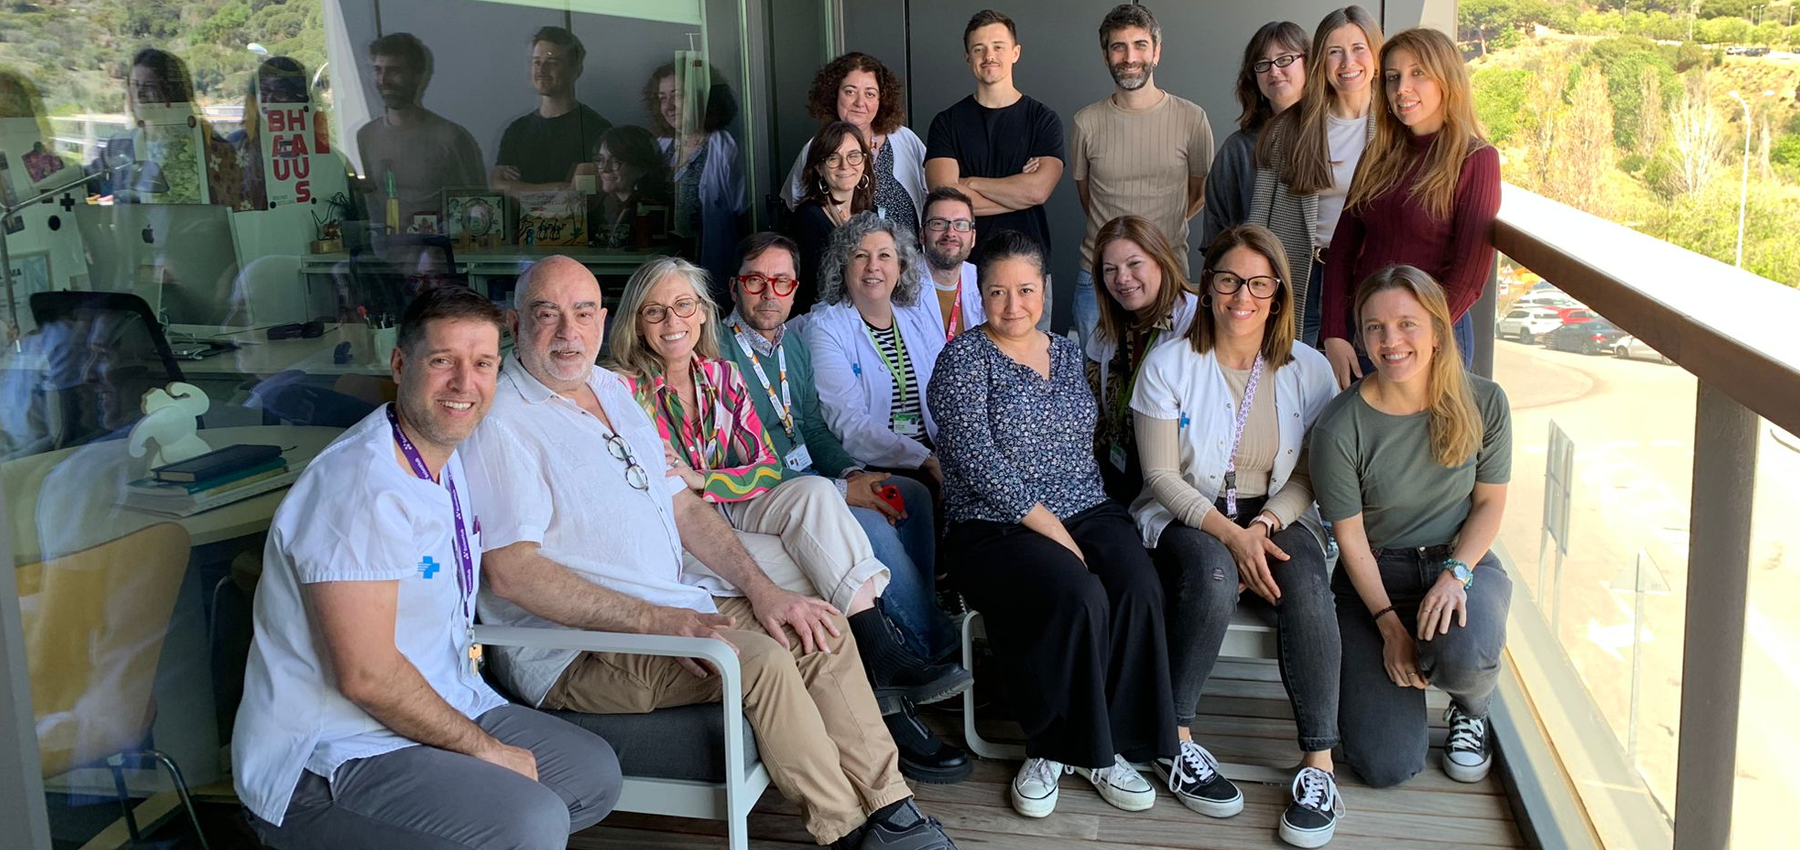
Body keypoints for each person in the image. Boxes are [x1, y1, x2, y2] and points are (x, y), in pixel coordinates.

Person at [457, 256, 960, 850]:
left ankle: (892, 806)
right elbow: (512, 574)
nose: (569, 332)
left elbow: (686, 507)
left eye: (584, 312)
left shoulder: (612, 390)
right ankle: (846, 830)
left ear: (602, 318)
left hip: (674, 605)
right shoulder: (502, 421)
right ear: (516, 324)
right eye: (548, 315)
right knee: (763, 662)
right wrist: (661, 620)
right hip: (583, 647)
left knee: (815, 623)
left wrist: (765, 592)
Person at [234, 285, 622, 849]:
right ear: (400, 364)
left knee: (590, 775)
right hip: (334, 753)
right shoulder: (360, 487)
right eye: (443, 361)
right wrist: (486, 752)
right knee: (530, 821)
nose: (465, 384)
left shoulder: (446, 454)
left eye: (483, 363)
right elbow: (365, 677)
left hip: (447, 699)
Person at [929, 229, 1176, 820]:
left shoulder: (1068, 352)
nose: (1012, 306)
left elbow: (1086, 445)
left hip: (1086, 507)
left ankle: (1112, 744)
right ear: (977, 293)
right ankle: (1055, 747)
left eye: (1025, 289)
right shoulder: (961, 360)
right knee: (1077, 593)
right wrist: (1056, 533)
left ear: (1046, 287)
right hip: (995, 526)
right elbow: (980, 464)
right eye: (996, 292)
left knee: (1139, 586)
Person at [720, 233, 971, 781]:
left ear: (795, 289)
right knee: (869, 529)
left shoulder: (791, 343)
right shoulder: (716, 353)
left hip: (809, 481)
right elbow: (746, 456)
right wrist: (843, 491)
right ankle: (921, 655)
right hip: (759, 496)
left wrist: (856, 474)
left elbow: (810, 427)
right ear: (734, 285)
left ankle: (912, 653)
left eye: (782, 281)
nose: (768, 294)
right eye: (755, 281)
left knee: (905, 496)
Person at [1132, 225, 1344, 847]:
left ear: (1278, 293)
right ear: (1208, 287)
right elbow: (1161, 475)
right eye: (1227, 280)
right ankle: (1176, 740)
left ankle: (1319, 763)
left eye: (1258, 283)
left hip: (1277, 510)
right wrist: (1232, 536)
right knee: (1214, 574)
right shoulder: (1171, 362)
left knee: (1307, 581)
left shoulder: (1309, 369)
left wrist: (1264, 526)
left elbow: (1309, 475)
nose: (1241, 296)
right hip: (1189, 513)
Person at [1308, 264, 1512, 789]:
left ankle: (1470, 705)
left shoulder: (1485, 402)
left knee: (1466, 655)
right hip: (1376, 578)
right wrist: (1388, 626)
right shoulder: (1338, 426)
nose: (1390, 340)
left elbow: (1489, 503)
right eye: (1374, 327)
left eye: (1406, 324)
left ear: (1439, 332)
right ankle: (1416, 660)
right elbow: (1349, 538)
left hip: (1458, 560)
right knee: (1385, 765)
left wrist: (1455, 575)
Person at [1319, 27, 1499, 385]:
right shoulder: (1378, 154)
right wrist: (1334, 334)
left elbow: (1469, 277)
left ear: (1446, 79)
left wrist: (1419, 340)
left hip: (1434, 339)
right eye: (1392, 78)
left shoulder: (1475, 159)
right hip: (1368, 333)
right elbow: (1342, 250)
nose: (1401, 88)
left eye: (1418, 73)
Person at [1068, 3, 1213, 346]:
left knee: (1168, 384)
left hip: (1170, 274)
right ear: (1106, 57)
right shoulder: (1085, 122)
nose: (1129, 56)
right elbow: (1088, 195)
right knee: (1096, 383)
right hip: (1099, 276)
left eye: (1140, 45)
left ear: (1156, 52)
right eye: (1118, 46)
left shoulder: (1191, 119)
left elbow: (1199, 191)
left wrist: (1153, 236)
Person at [1250, 6, 1382, 349]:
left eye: (1358, 49)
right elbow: (1259, 223)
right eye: (1334, 52)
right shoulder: (1288, 128)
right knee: (1298, 376)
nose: (1347, 63)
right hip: (1302, 274)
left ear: (1376, 54)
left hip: (1370, 275)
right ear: (1319, 61)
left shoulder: (1396, 130)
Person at [925, 9, 1064, 302]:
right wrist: (1016, 191)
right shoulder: (946, 122)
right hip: (964, 271)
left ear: (1015, 52)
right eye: (979, 49)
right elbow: (945, 197)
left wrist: (970, 182)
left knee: (1030, 349)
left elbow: (1038, 191)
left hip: (1029, 271)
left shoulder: (1043, 120)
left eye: (998, 47)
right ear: (968, 58)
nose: (989, 55)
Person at [802, 213, 945, 490]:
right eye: (860, 256)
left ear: (901, 266)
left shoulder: (916, 318)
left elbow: (945, 392)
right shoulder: (826, 328)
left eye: (884, 256)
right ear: (842, 266)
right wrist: (926, 459)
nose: (873, 267)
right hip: (875, 465)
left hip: (933, 451)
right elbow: (850, 426)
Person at [1084, 215, 1200, 504]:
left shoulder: (1196, 325)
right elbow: (1093, 413)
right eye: (1110, 269)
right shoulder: (1108, 329)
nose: (1122, 278)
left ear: (1161, 260)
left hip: (1180, 485)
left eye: (1134, 264)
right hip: (1118, 475)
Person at [781, 52, 927, 233]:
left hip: (911, 258)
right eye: (850, 91)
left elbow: (933, 193)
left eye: (870, 94)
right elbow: (797, 207)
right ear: (834, 94)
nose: (860, 102)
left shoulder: (905, 139)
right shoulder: (815, 148)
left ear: (882, 100)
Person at [1197, 21, 1310, 252]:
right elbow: (1215, 237)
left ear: (1308, 63)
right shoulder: (1237, 150)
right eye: (1262, 64)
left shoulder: (1336, 136)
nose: (1274, 71)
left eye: (1284, 59)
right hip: (1255, 282)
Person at [357, 33, 487, 224]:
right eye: (378, 70)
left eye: (394, 71)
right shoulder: (366, 136)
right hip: (386, 252)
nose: (383, 80)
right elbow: (374, 204)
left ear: (418, 77)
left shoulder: (451, 138)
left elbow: (483, 207)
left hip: (442, 251)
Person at [644, 59, 745, 295]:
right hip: (661, 274)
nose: (668, 106)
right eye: (662, 98)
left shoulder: (723, 147)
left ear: (702, 97)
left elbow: (742, 214)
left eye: (676, 95)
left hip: (707, 272)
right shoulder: (661, 146)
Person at [491, 26, 613, 194]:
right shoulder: (516, 130)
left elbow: (581, 198)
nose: (541, 70)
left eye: (552, 62)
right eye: (536, 62)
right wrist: (558, 188)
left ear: (576, 70)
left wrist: (516, 189)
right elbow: (497, 187)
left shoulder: (596, 129)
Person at [788, 121, 874, 311]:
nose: (845, 166)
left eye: (854, 156)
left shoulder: (870, 212)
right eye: (833, 158)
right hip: (824, 318)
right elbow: (816, 289)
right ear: (819, 167)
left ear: (864, 162)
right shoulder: (807, 217)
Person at [915, 187, 986, 341]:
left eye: (960, 224)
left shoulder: (984, 281)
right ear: (922, 234)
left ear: (973, 237)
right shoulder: (898, 282)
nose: (950, 233)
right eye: (939, 223)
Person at [591, 125, 674, 251]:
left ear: (642, 168)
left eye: (615, 161)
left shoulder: (654, 211)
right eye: (600, 160)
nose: (605, 169)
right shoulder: (597, 206)